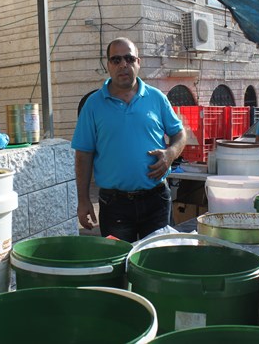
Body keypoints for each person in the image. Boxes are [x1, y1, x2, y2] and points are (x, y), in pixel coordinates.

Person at [72, 37, 186, 242]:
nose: (123, 64)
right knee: (119, 262)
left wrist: (170, 153)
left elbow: (180, 133)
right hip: (114, 205)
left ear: (138, 62)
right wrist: (83, 200)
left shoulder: (157, 97)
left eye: (129, 58)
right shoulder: (93, 105)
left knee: (156, 262)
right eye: (116, 60)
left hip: (156, 200)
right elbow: (83, 154)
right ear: (108, 65)